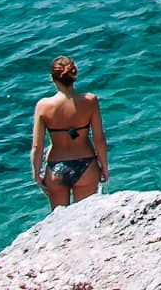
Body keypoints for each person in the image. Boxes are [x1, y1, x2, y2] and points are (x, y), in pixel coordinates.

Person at [30, 56, 106, 212]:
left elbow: (37, 147)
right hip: (87, 165)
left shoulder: (43, 106)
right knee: (85, 217)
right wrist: (104, 167)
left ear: (52, 78)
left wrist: (36, 175)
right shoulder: (90, 101)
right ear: (74, 75)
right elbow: (99, 140)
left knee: (59, 221)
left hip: (56, 168)